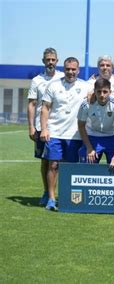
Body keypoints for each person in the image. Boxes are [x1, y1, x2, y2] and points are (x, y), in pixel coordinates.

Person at [40, 57, 89, 210]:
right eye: (68, 69)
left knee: (71, 168)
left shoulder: (86, 86)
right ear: (64, 69)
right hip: (54, 132)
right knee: (53, 165)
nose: (70, 72)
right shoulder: (53, 85)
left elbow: (100, 95)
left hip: (75, 135)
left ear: (78, 70)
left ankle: (68, 199)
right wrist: (44, 128)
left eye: (73, 69)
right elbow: (45, 108)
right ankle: (51, 198)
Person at [27, 47, 64, 206]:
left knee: (58, 162)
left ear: (57, 61)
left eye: (53, 59)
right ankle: (47, 192)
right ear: (43, 61)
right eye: (48, 59)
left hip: (59, 127)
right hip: (41, 127)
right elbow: (32, 104)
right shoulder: (37, 80)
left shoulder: (63, 77)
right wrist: (31, 127)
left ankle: (56, 194)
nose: (50, 62)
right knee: (45, 161)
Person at [77, 78, 114, 169]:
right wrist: (89, 148)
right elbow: (81, 125)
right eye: (99, 92)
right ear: (94, 91)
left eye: (105, 92)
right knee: (86, 165)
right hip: (92, 136)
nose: (102, 95)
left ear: (110, 92)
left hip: (111, 137)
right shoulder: (86, 104)